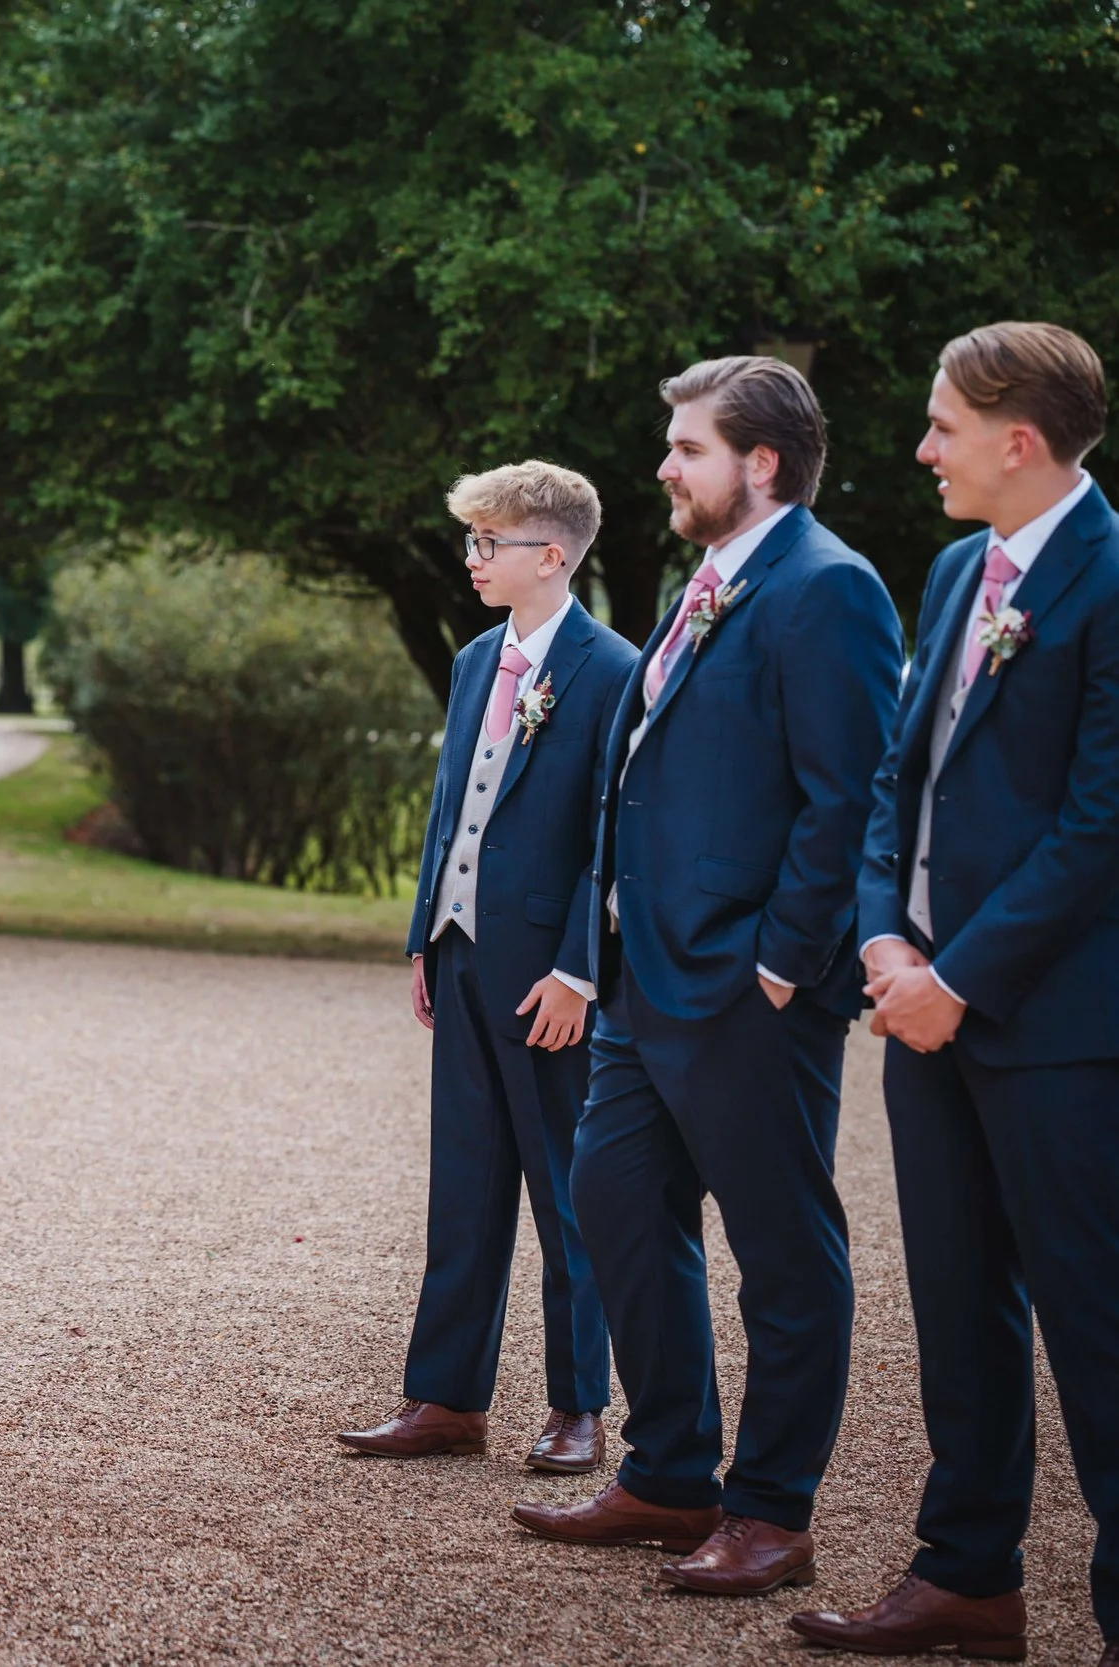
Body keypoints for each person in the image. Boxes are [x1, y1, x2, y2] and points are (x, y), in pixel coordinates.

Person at [513, 356, 902, 1596]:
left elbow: (848, 796)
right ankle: (671, 1469)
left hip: (746, 989)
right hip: (642, 982)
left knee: (783, 1251)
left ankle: (772, 1510)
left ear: (761, 461)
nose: (665, 467)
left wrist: (781, 962)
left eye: (688, 448)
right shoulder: (709, 582)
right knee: (615, 1201)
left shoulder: (827, 587)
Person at [793, 322, 1119, 1666]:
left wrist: (961, 978)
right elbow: (898, 776)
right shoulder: (951, 569)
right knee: (957, 1302)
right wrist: (882, 938)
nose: (924, 448)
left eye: (943, 426)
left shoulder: (1110, 578)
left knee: (1096, 1320)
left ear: (1018, 440)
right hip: (917, 1002)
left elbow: (1100, 825)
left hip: (1058, 1031)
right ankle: (967, 1576)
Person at [338, 461, 635, 1475]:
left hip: (549, 978)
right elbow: (448, 809)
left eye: (487, 543)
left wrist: (580, 971)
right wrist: (428, 935)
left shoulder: (612, 669)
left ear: (550, 555)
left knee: (567, 1192)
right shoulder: (474, 660)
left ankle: (578, 1404)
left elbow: (613, 834)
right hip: (462, 954)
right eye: (470, 540)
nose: (471, 558)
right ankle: (446, 1396)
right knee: (463, 1184)